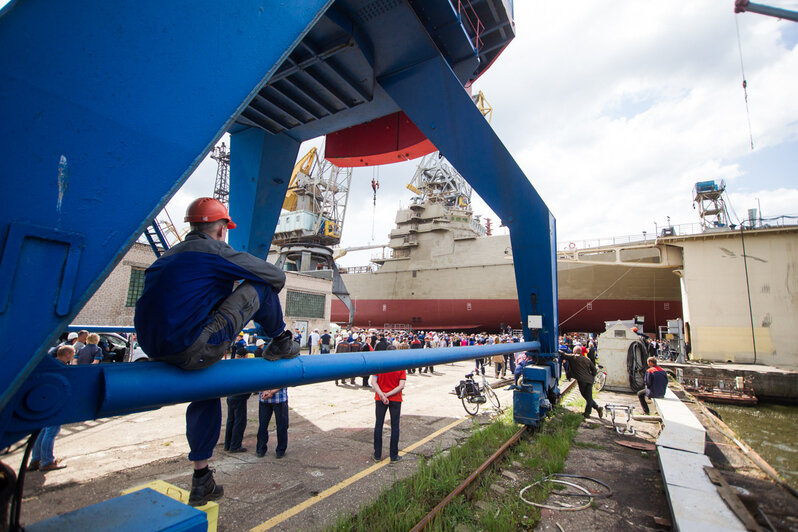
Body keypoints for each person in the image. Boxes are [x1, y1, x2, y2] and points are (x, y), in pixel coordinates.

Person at [134, 197, 300, 507]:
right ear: (222, 228)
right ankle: (280, 340)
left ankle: (202, 478)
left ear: (192, 225)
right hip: (192, 347)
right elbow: (275, 277)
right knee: (261, 286)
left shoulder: (167, 255)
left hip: (154, 347)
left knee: (207, 387)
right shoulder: (215, 251)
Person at [27, 345, 75, 472]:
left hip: (45, 402)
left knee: (42, 431)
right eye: (73, 353)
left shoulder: (51, 365)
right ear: (68, 354)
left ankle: (36, 459)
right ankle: (47, 461)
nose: (73, 356)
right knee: (51, 431)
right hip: (55, 403)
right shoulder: (61, 368)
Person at [371, 367, 406, 462]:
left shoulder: (379, 365)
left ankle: (377, 455)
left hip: (380, 398)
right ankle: (393, 456)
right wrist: (388, 394)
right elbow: (401, 385)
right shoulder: (401, 366)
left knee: (379, 425)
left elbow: (373, 382)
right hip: (395, 399)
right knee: (395, 427)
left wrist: (382, 395)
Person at [560, 349, 604, 419]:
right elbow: (594, 370)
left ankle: (588, 413)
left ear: (575, 351)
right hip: (590, 380)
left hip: (582, 380)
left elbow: (564, 354)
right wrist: (591, 375)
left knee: (586, 396)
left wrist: (558, 349)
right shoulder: (587, 359)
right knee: (588, 396)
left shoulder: (574, 357)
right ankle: (596, 408)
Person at [224, 349, 251, 453]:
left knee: (231, 420)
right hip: (239, 398)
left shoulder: (232, 365)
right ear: (244, 356)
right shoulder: (243, 366)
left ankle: (228, 444)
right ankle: (235, 446)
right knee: (239, 422)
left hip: (230, 397)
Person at [257, 387, 288, 458]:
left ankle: (261, 449)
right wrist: (270, 392)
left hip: (272, 399)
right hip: (278, 399)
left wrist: (266, 391)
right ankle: (280, 450)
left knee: (264, 425)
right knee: (264, 425)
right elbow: (284, 379)